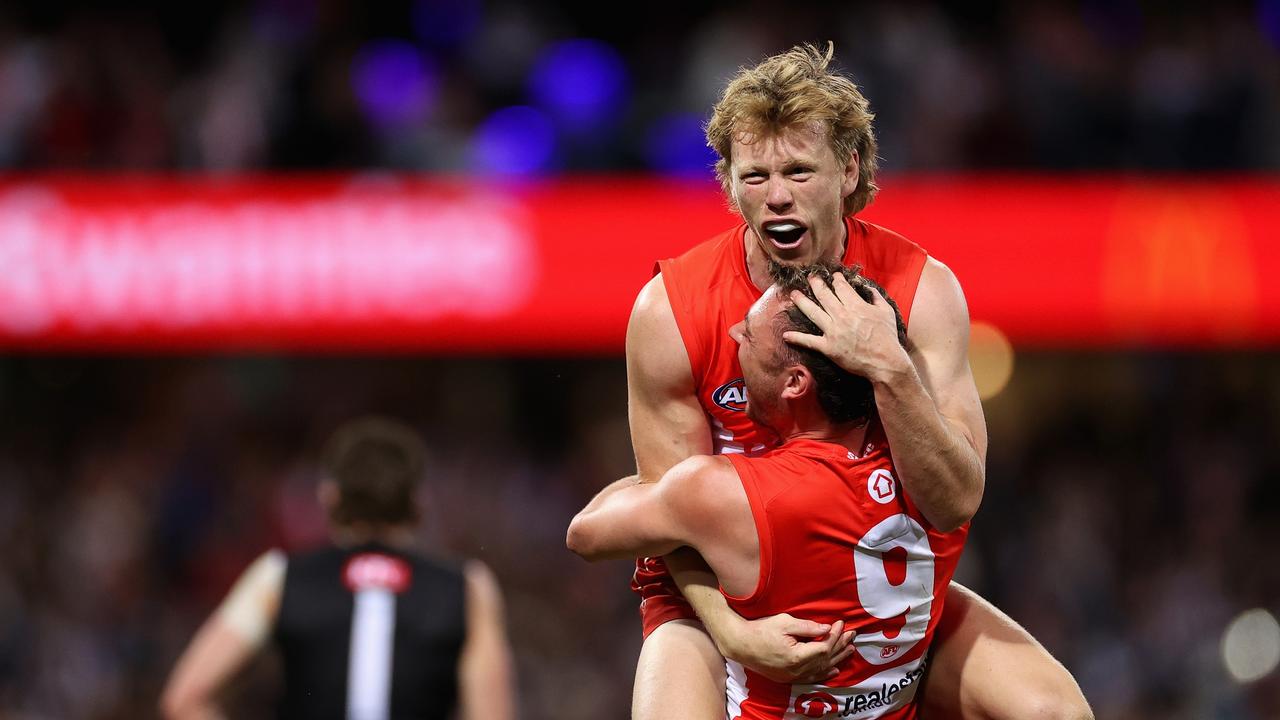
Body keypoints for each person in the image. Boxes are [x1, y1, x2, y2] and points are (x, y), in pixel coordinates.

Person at [608, 43, 1091, 719]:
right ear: (728, 182)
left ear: (849, 170)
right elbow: (670, 525)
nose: (776, 195)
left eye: (800, 171)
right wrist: (735, 632)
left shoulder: (921, 293)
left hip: (881, 593)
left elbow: (955, 499)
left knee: (1053, 713)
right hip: (718, 605)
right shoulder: (671, 312)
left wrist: (889, 368)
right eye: (755, 176)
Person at [569, 262, 968, 717]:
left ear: (796, 383)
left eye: (749, 336)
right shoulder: (940, 483)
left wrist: (661, 481)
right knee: (1048, 704)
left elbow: (585, 533)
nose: (735, 334)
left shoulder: (724, 492)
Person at [160, 417, 515, 720]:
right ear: (417, 504)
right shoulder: (468, 587)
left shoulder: (278, 577)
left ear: (330, 497)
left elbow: (184, 699)